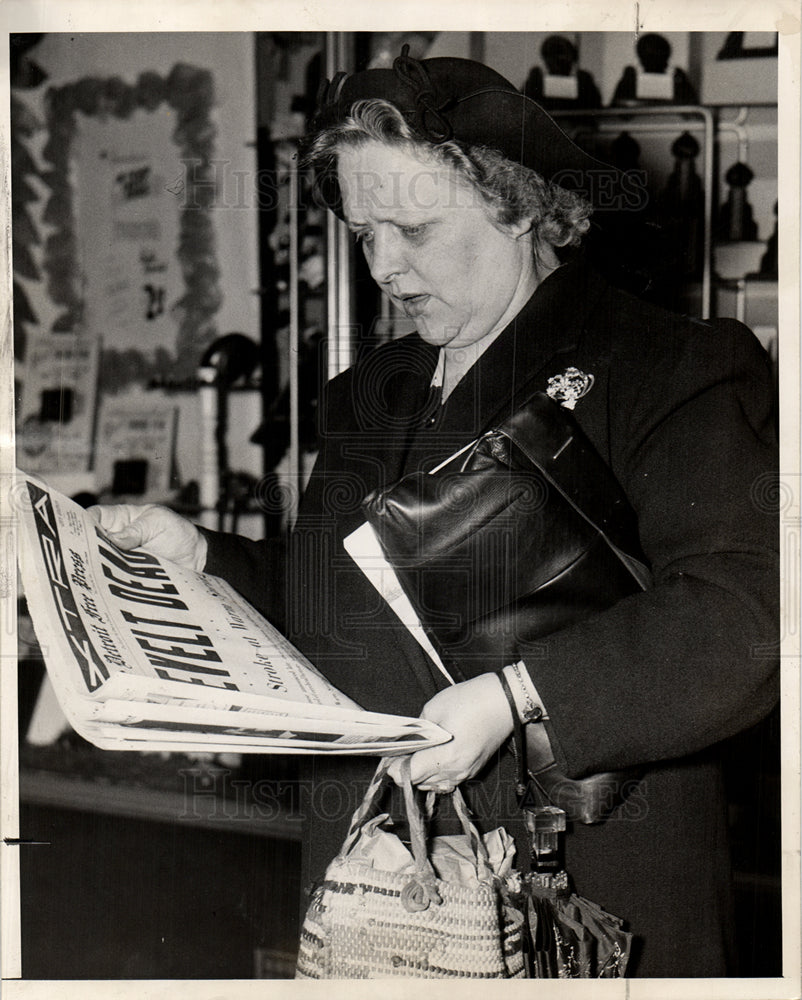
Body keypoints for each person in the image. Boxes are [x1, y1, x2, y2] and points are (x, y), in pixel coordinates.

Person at [92, 51, 779, 977]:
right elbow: (340, 615)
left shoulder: (668, 365)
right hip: (374, 896)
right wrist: (204, 557)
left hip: (573, 914)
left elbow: (749, 615)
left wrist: (516, 697)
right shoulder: (371, 393)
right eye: (363, 229)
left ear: (519, 203)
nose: (381, 265)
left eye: (413, 227)